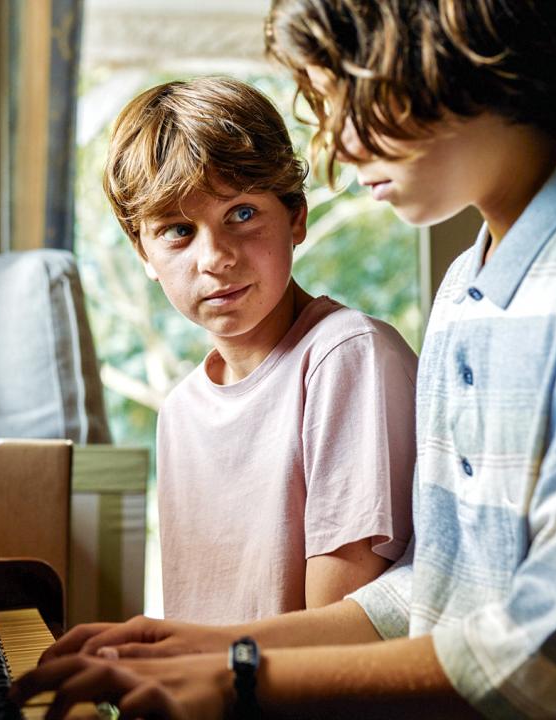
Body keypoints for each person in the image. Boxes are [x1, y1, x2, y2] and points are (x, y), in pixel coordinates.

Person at [10, 1, 556, 717]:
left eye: (343, 91)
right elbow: (443, 596)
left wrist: (242, 677)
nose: (336, 142)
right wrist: (206, 642)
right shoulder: (469, 284)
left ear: (452, 51)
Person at [102, 77, 417, 624]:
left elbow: (333, 648)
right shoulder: (180, 411)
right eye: (177, 231)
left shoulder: (345, 356)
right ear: (144, 255)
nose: (215, 257)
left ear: (296, 217)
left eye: (242, 214)